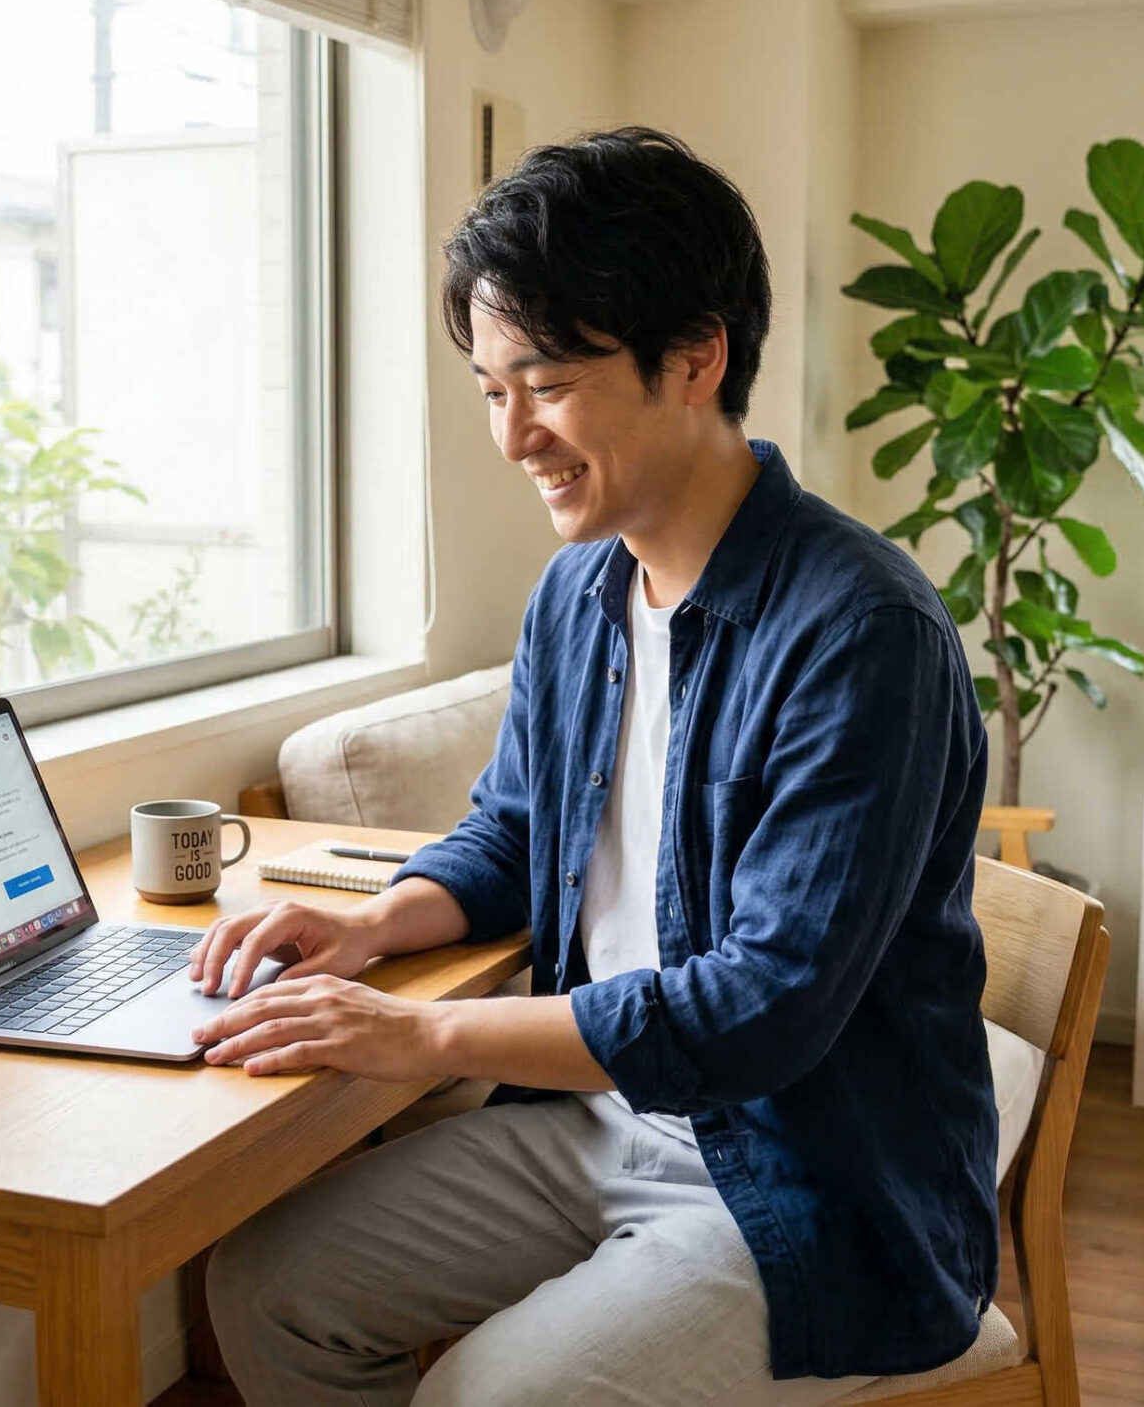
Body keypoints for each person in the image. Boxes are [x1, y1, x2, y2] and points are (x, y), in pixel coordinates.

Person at [184, 128, 996, 1405]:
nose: (513, 437)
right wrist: (376, 923)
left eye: (547, 383)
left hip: (812, 1182)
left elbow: (765, 1006)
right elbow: (515, 830)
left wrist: (422, 1031)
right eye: (488, 388)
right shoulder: (578, 593)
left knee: (491, 1397)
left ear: (696, 357)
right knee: (266, 1285)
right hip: (596, 1119)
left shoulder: (861, 633)